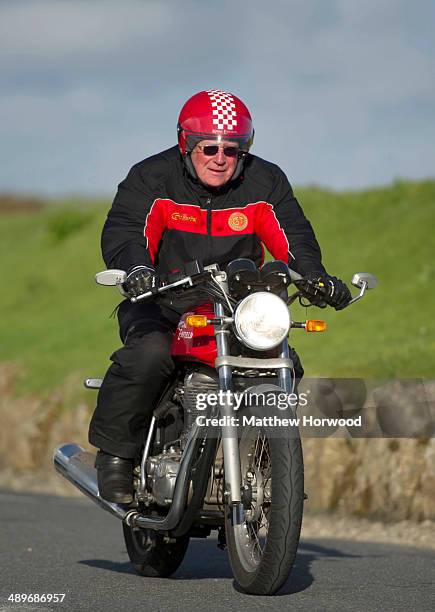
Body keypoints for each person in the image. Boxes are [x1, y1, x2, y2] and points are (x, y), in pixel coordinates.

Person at [88, 89, 351, 503]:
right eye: (209, 147)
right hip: (163, 304)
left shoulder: (266, 181)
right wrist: (137, 270)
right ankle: (116, 456)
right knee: (149, 356)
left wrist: (314, 277)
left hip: (238, 309)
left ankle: (266, 466)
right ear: (186, 145)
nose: (221, 158)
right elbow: (126, 228)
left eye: (233, 149)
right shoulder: (151, 177)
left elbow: (292, 235)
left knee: (283, 360)